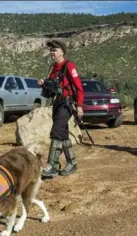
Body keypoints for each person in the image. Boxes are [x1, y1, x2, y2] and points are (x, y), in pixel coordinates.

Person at [37, 39, 84, 177]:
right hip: (56, 104)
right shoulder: (52, 68)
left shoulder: (69, 66)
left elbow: (78, 86)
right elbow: (52, 89)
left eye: (55, 50)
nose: (52, 52)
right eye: (51, 50)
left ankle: (52, 165)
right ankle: (72, 163)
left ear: (62, 52)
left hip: (67, 103)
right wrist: (44, 85)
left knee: (56, 131)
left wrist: (80, 105)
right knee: (62, 135)